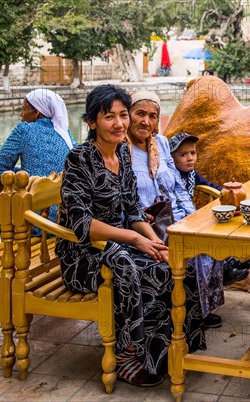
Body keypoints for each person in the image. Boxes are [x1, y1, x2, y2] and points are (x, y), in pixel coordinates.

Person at [55, 85, 171, 387]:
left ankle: (155, 352)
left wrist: (155, 242)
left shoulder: (122, 151)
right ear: (92, 122)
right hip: (81, 255)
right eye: (109, 117)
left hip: (115, 243)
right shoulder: (79, 159)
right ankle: (126, 354)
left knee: (161, 264)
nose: (120, 124)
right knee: (125, 264)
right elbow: (82, 224)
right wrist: (134, 240)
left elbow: (133, 208)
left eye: (123, 115)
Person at [125, 91, 227, 354]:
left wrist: (192, 217)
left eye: (152, 115)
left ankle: (200, 310)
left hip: (174, 215)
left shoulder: (159, 142)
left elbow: (179, 188)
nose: (146, 121)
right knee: (193, 253)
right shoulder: (121, 150)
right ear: (128, 116)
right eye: (140, 114)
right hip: (146, 224)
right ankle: (191, 313)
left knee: (210, 242)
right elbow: (124, 200)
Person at [168, 132, 250, 286]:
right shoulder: (171, 175)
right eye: (183, 154)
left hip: (191, 215)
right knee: (206, 231)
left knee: (215, 226)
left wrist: (225, 192)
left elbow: (208, 184)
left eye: (193, 153)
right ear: (171, 157)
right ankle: (225, 269)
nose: (190, 158)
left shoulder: (192, 173)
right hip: (180, 217)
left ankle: (230, 261)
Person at [0, 89, 76, 228]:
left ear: (37, 112)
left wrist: (24, 174)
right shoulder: (65, 134)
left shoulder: (23, 130)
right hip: (67, 221)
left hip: (37, 222)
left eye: (24, 109)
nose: (21, 114)